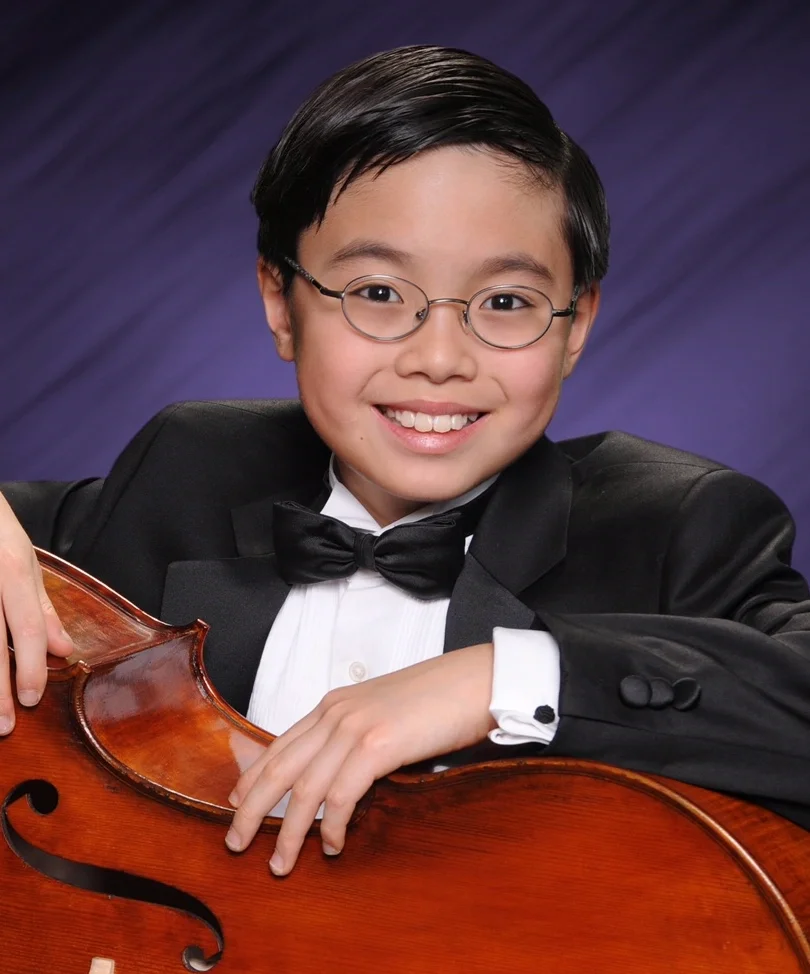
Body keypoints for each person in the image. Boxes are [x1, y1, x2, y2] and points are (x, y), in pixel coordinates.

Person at [1, 45, 809, 879]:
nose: (439, 359)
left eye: (506, 302)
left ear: (576, 326)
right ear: (281, 303)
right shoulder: (188, 468)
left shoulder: (673, 526)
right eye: (379, 293)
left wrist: (500, 681)